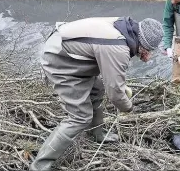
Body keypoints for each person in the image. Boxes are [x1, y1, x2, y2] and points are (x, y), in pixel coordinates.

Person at [30, 16, 163, 171]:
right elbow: (115, 93)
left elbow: (112, 74)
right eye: (148, 50)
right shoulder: (118, 47)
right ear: (144, 45)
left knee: (97, 88)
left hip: (69, 50)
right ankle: (39, 165)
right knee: (80, 117)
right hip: (59, 58)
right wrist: (128, 107)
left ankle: (97, 134)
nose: (148, 55)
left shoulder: (124, 29)